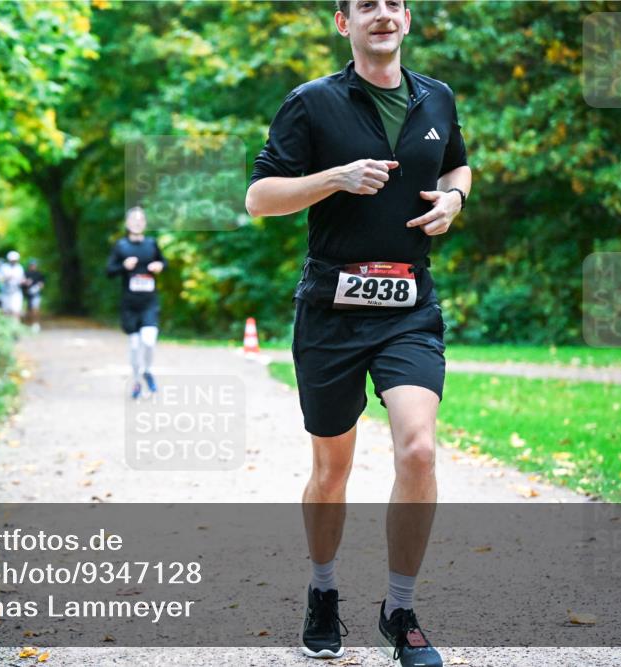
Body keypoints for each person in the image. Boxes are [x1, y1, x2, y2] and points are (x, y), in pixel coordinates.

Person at [245, 1, 472, 665]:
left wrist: (456, 199)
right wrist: (335, 178)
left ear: (408, 20)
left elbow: (457, 166)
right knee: (330, 467)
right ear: (344, 23)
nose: (382, 13)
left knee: (420, 449)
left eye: (393, 3)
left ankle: (400, 611)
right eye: (366, 4)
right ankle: (322, 590)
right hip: (331, 311)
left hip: (409, 305)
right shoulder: (311, 103)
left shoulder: (437, 98)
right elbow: (260, 198)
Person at [106, 206, 167, 400]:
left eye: (141, 220)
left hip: (149, 302)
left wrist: (159, 266)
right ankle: (136, 380)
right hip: (130, 304)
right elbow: (109, 271)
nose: (138, 222)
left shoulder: (151, 244)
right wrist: (123, 266)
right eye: (134, 219)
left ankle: (147, 371)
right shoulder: (121, 246)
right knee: (134, 345)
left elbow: (164, 263)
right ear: (127, 223)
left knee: (149, 341)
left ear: (145, 223)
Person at [0, 250, 26, 321]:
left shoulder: (19, 268)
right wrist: (7, 278)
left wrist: (23, 281)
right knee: (6, 311)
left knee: (16, 310)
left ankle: (16, 327)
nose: (14, 261)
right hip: (5, 292)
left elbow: (22, 278)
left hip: (16, 291)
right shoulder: (4, 267)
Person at [22, 259, 45, 331]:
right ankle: (27, 325)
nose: (33, 266)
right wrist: (26, 283)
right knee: (28, 310)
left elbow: (42, 284)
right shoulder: (25, 273)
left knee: (35, 309)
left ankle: (35, 324)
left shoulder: (39, 274)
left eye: (34, 265)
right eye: (31, 265)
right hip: (27, 295)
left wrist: (37, 287)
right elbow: (22, 282)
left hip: (36, 294)